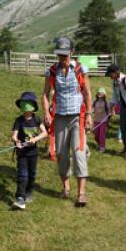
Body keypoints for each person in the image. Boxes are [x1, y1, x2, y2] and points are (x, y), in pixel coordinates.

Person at [42, 36, 92, 207]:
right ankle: (65, 188)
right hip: (60, 118)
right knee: (62, 154)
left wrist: (90, 114)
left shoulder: (80, 69)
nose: (62, 58)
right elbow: (45, 94)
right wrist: (46, 113)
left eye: (65, 54)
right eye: (60, 54)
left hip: (78, 117)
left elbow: (87, 93)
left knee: (78, 153)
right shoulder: (51, 71)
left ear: (72, 52)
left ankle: (81, 194)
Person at [11, 92, 48, 210]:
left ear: (32, 106)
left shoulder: (37, 119)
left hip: (33, 153)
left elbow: (45, 133)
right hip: (22, 153)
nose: (26, 107)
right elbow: (14, 135)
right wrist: (16, 142)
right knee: (22, 175)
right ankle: (20, 198)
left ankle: (29, 192)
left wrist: (35, 139)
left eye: (28, 103)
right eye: (24, 103)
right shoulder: (19, 120)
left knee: (32, 174)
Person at [93, 87, 110, 152]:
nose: (100, 94)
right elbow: (92, 109)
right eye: (99, 92)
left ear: (104, 94)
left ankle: (102, 147)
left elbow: (109, 111)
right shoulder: (95, 101)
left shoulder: (106, 102)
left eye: (101, 93)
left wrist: (110, 113)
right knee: (96, 134)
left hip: (103, 121)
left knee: (101, 135)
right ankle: (98, 143)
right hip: (96, 120)